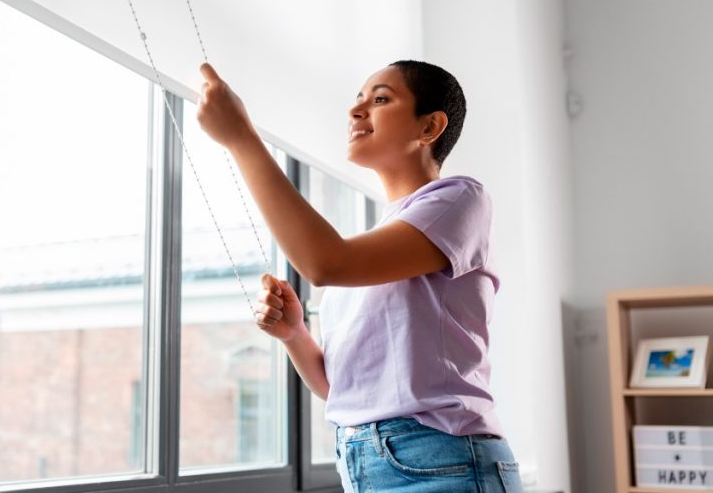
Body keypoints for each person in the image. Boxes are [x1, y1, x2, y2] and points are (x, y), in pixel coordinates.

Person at [196, 60, 522, 493]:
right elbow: (341, 391)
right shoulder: (374, 248)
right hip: (362, 462)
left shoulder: (460, 199)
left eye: (381, 99)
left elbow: (327, 264)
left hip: (443, 459)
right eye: (358, 100)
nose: (356, 110)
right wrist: (295, 334)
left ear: (430, 128)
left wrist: (241, 138)